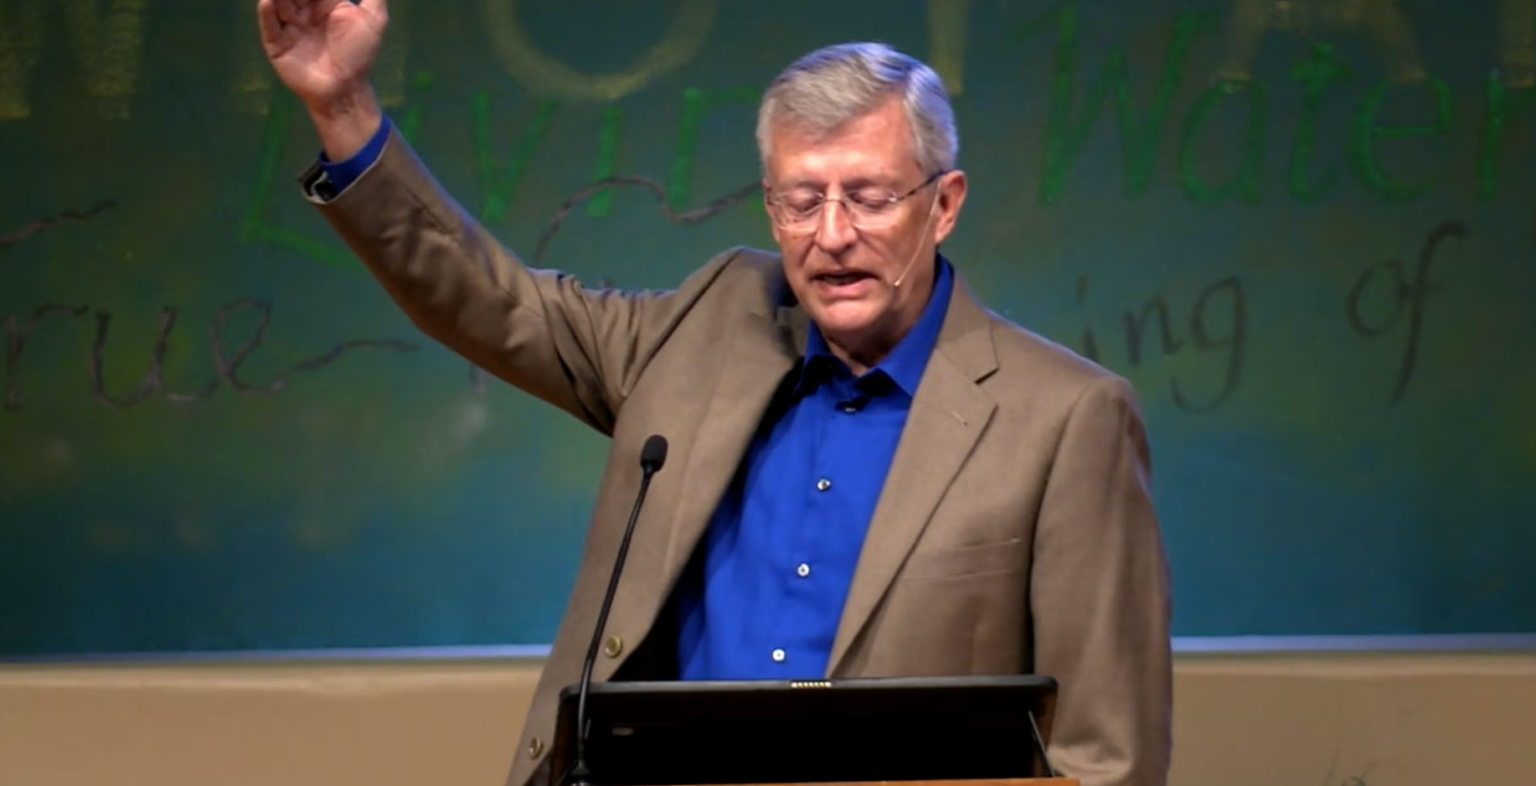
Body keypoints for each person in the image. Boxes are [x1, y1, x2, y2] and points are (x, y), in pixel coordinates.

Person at [256, 2, 1174, 785]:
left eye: (869, 197)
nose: (832, 236)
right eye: (800, 201)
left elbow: (1107, 756)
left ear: (944, 204)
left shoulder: (1064, 418)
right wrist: (342, 106)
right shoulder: (708, 330)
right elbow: (491, 303)